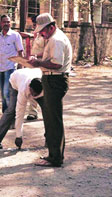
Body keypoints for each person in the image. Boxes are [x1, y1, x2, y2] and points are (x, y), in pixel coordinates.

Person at [28, 13, 72, 167]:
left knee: (53, 119)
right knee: (50, 117)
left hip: (55, 79)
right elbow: (50, 57)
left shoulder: (56, 40)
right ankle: (53, 154)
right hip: (51, 79)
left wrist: (38, 62)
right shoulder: (53, 38)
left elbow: (57, 64)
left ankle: (56, 157)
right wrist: (38, 59)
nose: (41, 34)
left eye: (43, 31)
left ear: (51, 27)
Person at [0, 68, 43, 149]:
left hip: (31, 75)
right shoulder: (23, 89)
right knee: (12, 110)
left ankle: (50, 139)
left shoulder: (44, 89)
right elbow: (20, 113)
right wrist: (19, 136)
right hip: (15, 81)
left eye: (35, 95)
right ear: (29, 87)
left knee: (48, 111)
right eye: (32, 93)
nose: (33, 96)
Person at [0, 15, 24, 113]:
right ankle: (5, 116)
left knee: (6, 93)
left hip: (11, 68)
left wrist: (21, 68)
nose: (6, 24)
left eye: (8, 22)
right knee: (3, 95)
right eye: (4, 22)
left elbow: (20, 52)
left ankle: (10, 117)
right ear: (1, 23)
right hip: (0, 69)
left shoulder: (15, 36)